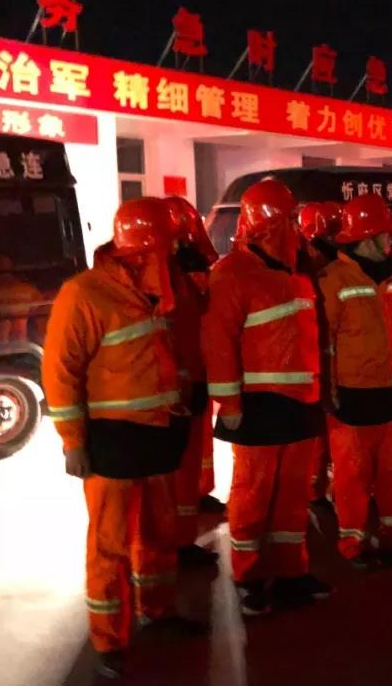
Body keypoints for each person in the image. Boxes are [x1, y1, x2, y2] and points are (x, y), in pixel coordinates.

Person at [42, 197, 204, 679]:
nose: (174, 253)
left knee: (159, 534)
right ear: (147, 247)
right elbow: (61, 372)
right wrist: (73, 441)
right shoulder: (84, 294)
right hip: (111, 439)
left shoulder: (164, 289)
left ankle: (159, 610)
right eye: (169, 245)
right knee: (109, 544)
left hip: (160, 431)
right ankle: (109, 639)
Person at [203, 180, 329, 616]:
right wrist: (230, 404)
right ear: (272, 223)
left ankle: (292, 572)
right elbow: (218, 343)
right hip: (258, 405)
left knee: (292, 497)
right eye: (291, 219)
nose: (298, 228)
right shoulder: (232, 273)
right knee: (253, 496)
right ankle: (249, 577)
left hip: (301, 402)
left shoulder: (295, 272)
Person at [318, 193, 392, 568]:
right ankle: (352, 545)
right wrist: (330, 394)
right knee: (353, 478)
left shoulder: (389, 278)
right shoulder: (333, 279)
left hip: (390, 390)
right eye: (384, 234)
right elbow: (325, 343)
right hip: (353, 395)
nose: (391, 240)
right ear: (367, 237)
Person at [163, 196, 223, 569]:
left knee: (194, 454)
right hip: (173, 384)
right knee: (175, 468)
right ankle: (175, 541)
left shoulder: (185, 270)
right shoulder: (160, 278)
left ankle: (191, 515)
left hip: (195, 372)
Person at [297, 201, 343, 508]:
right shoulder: (311, 265)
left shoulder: (318, 263)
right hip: (317, 357)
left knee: (329, 432)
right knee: (319, 434)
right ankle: (314, 491)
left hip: (327, 356)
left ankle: (319, 489)